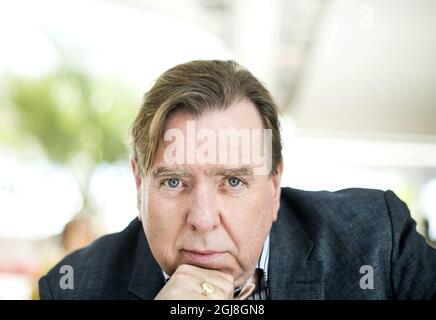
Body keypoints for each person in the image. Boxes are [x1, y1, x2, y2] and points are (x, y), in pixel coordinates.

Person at [39, 60, 436, 299]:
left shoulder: (376, 244)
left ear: (275, 186)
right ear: (139, 184)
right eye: (174, 182)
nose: (203, 218)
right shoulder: (75, 286)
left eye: (232, 181)